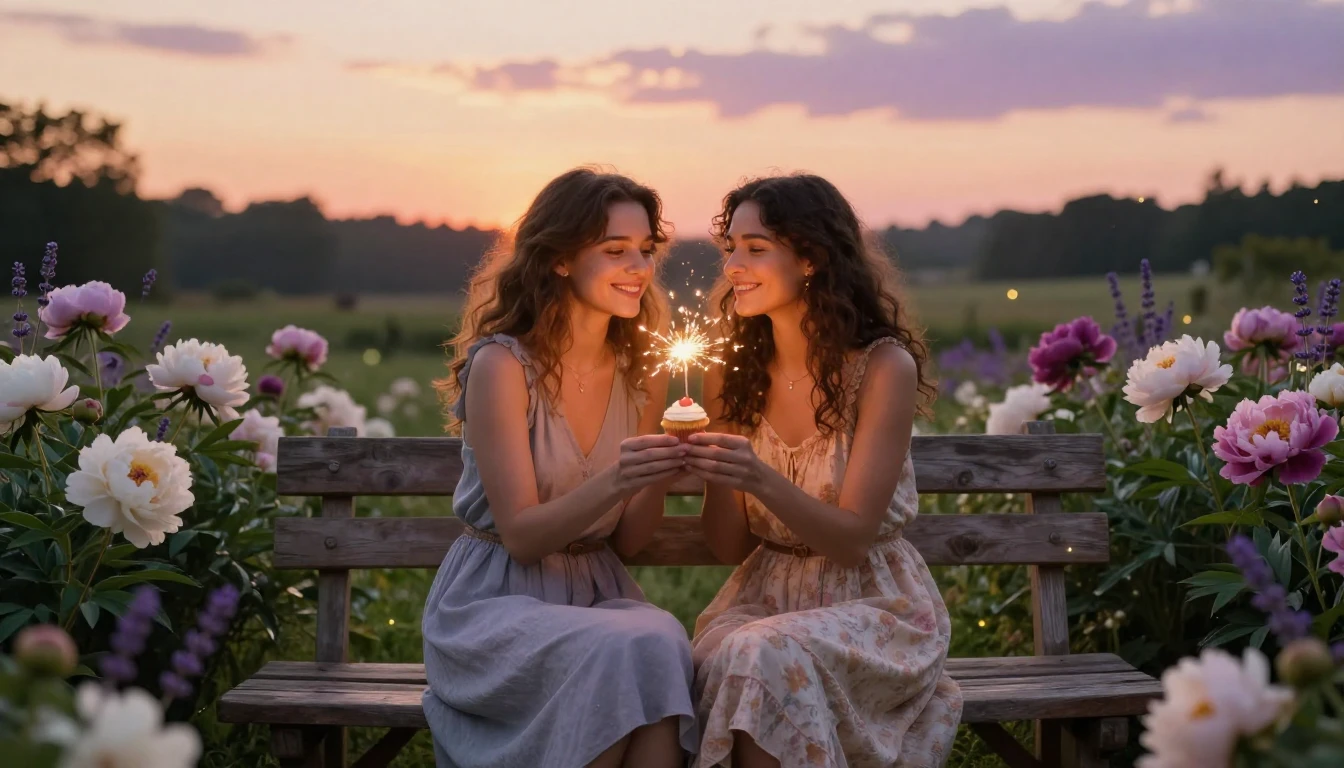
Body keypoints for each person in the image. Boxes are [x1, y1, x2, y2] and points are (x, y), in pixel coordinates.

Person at [422, 168, 698, 768]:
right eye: (615, 250)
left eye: (646, 250)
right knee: (632, 649)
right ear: (561, 260)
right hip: (494, 604)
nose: (639, 268)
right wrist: (619, 477)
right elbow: (522, 537)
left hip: (597, 595)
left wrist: (657, 469)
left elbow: (627, 539)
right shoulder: (502, 365)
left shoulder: (642, 373)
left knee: (660, 639)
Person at [685, 174, 962, 767]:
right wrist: (716, 472)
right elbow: (727, 544)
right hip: (764, 600)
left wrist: (758, 477)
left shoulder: (881, 368)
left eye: (756, 248)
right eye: (730, 247)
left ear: (810, 258)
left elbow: (852, 538)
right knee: (751, 651)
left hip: (875, 609)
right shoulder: (733, 372)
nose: (733, 264)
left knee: (762, 655)